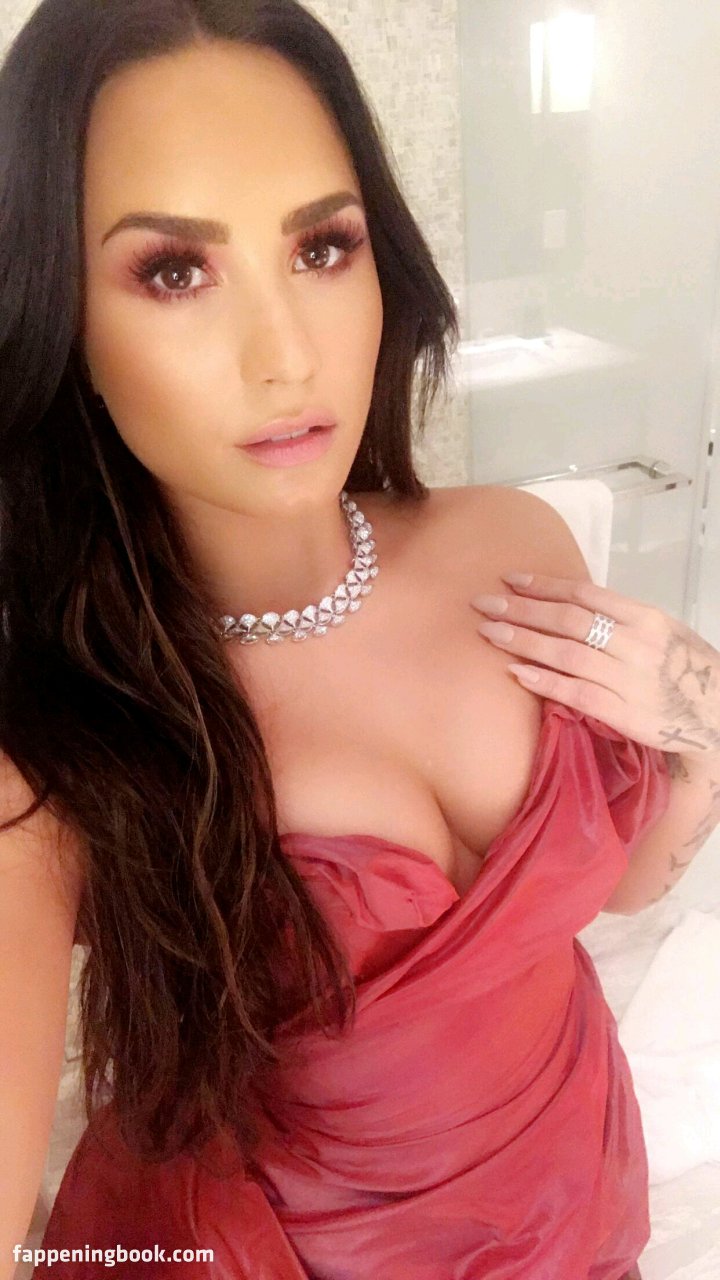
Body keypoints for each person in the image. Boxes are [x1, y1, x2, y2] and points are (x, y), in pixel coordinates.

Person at [0, 1, 684, 1277]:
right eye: (174, 271)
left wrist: (698, 728)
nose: (287, 355)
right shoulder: (54, 736)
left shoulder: (515, 542)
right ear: (62, 319)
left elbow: (620, 885)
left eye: (322, 246)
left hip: (580, 1205)